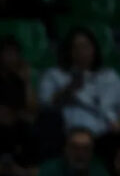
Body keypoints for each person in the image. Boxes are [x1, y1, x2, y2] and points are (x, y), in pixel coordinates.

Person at [38, 28, 120, 157]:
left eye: (85, 46)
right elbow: (45, 103)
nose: (81, 52)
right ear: (69, 52)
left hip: (105, 135)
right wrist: (69, 89)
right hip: (67, 134)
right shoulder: (54, 75)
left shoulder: (109, 76)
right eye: (76, 48)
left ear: (94, 49)